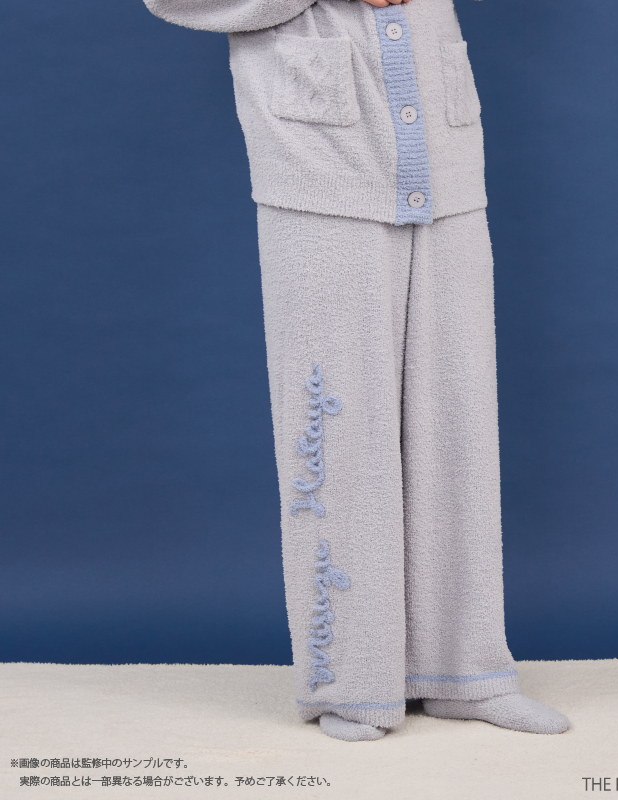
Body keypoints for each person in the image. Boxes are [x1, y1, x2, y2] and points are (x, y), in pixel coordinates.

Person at [144, 0, 571, 742]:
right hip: (318, 161)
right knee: (341, 436)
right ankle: (352, 684)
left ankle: (466, 673)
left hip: (444, 152)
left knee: (458, 427)